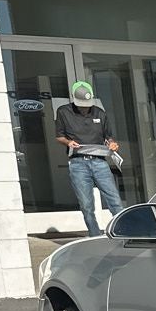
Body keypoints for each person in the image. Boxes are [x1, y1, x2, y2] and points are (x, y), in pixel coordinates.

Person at [54, 80, 121, 236]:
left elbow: (108, 137)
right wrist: (68, 142)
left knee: (115, 200)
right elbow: (59, 136)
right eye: (81, 104)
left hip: (99, 162)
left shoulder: (99, 113)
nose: (85, 107)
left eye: (87, 104)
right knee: (86, 204)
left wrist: (112, 144)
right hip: (78, 163)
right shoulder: (63, 112)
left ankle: (123, 232)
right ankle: (94, 235)